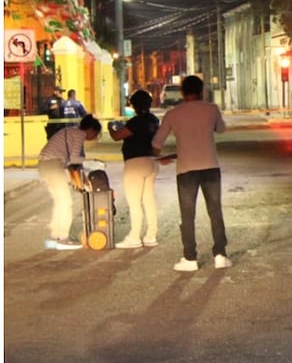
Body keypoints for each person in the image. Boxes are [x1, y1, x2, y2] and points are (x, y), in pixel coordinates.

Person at [152, 75, 230, 271]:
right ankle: (220, 254)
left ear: (182, 92)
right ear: (201, 90)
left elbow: (156, 144)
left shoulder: (173, 114)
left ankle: (190, 258)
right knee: (215, 212)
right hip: (210, 166)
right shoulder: (212, 109)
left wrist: (162, 156)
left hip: (186, 169)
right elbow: (221, 129)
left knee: (187, 215)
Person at [38, 114, 102, 250]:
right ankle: (63, 238)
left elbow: (71, 162)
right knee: (66, 202)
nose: (94, 137)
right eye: (95, 133)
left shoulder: (71, 132)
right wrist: (93, 162)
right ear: (90, 130)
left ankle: (56, 236)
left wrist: (77, 180)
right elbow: (74, 159)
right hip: (52, 164)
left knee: (60, 200)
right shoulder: (79, 135)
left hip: (45, 164)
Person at [108, 90, 160, 249]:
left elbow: (117, 136)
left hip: (135, 163)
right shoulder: (154, 120)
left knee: (134, 202)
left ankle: (135, 236)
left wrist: (110, 127)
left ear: (134, 105)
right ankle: (151, 235)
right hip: (151, 160)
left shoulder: (135, 122)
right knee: (149, 201)